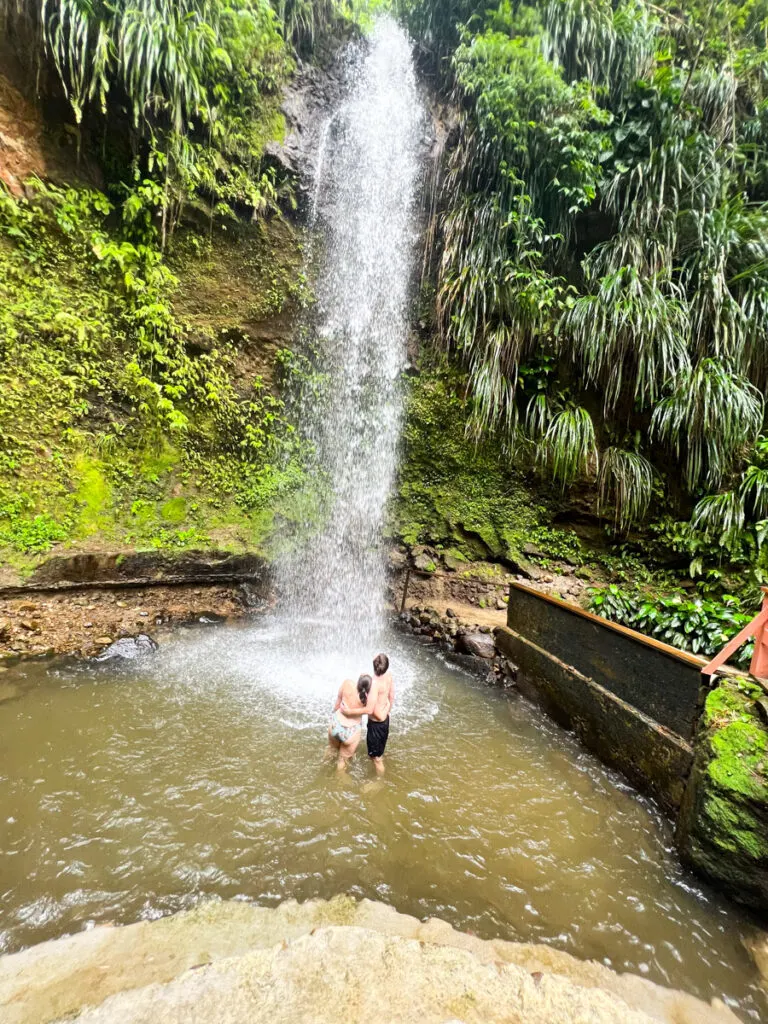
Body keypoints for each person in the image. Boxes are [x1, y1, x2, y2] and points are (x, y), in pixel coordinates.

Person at [340, 653, 395, 775]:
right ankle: (379, 757)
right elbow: (391, 696)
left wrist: (349, 712)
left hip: (376, 724)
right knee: (377, 753)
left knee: (376, 759)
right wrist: (387, 711)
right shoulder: (389, 676)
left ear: (374, 666)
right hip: (384, 721)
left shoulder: (374, 685)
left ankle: (379, 782)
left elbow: (370, 710)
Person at [328, 673, 372, 771]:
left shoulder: (347, 684)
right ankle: (339, 783)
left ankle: (323, 770)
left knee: (331, 750)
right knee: (342, 762)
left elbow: (337, 704)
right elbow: (372, 712)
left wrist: (332, 718)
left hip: (335, 724)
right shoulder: (368, 699)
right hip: (351, 731)